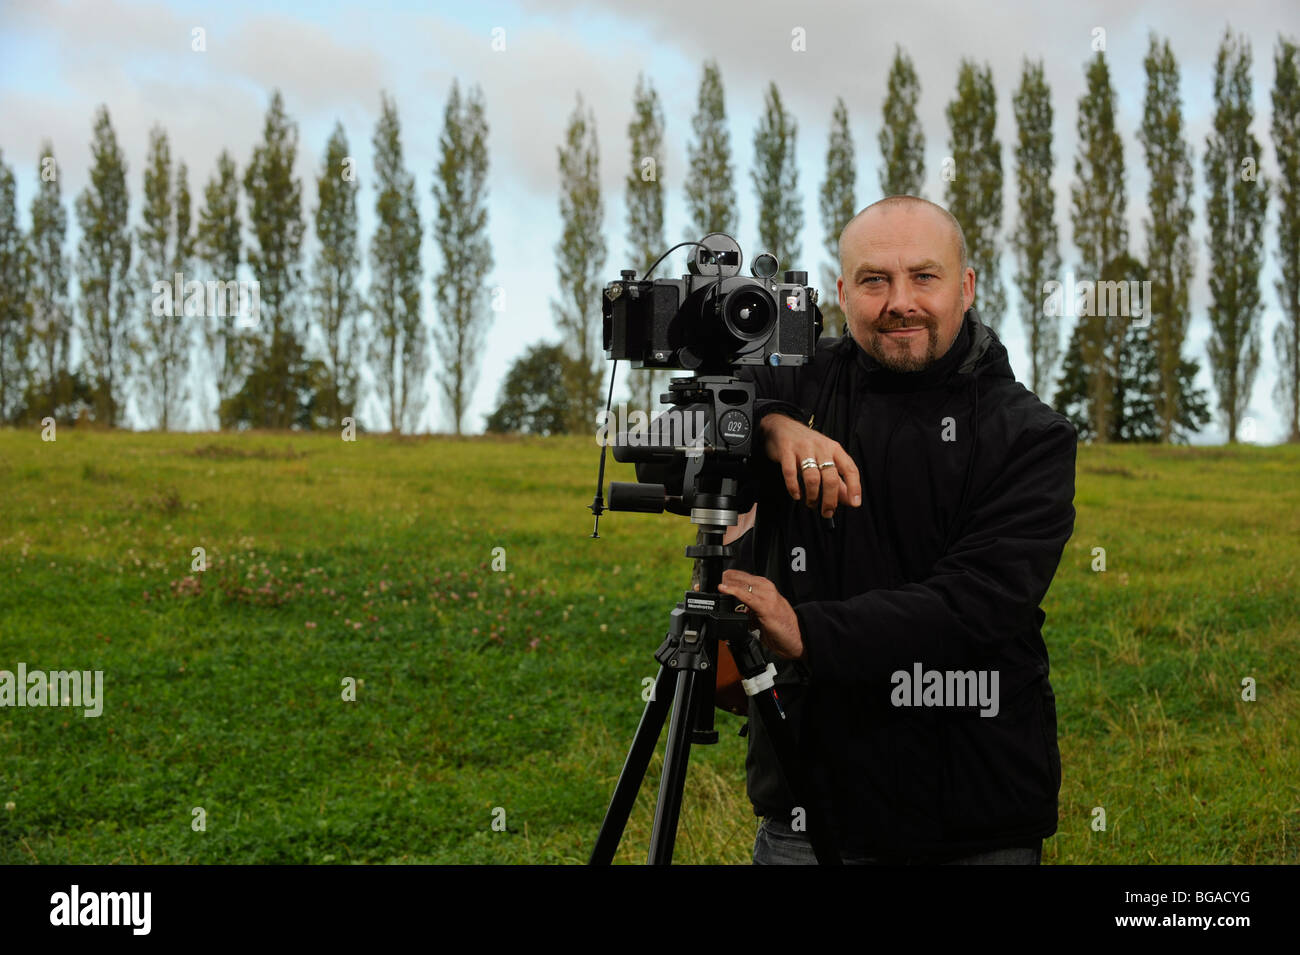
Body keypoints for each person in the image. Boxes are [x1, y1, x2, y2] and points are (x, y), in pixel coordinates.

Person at [712, 196, 1077, 864]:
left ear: (966, 288)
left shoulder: (1030, 436)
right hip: (806, 805)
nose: (898, 301)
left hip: (971, 816)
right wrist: (770, 424)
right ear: (843, 292)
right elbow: (697, 417)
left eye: (924, 277)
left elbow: (978, 604)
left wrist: (807, 633)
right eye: (875, 280)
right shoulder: (802, 383)